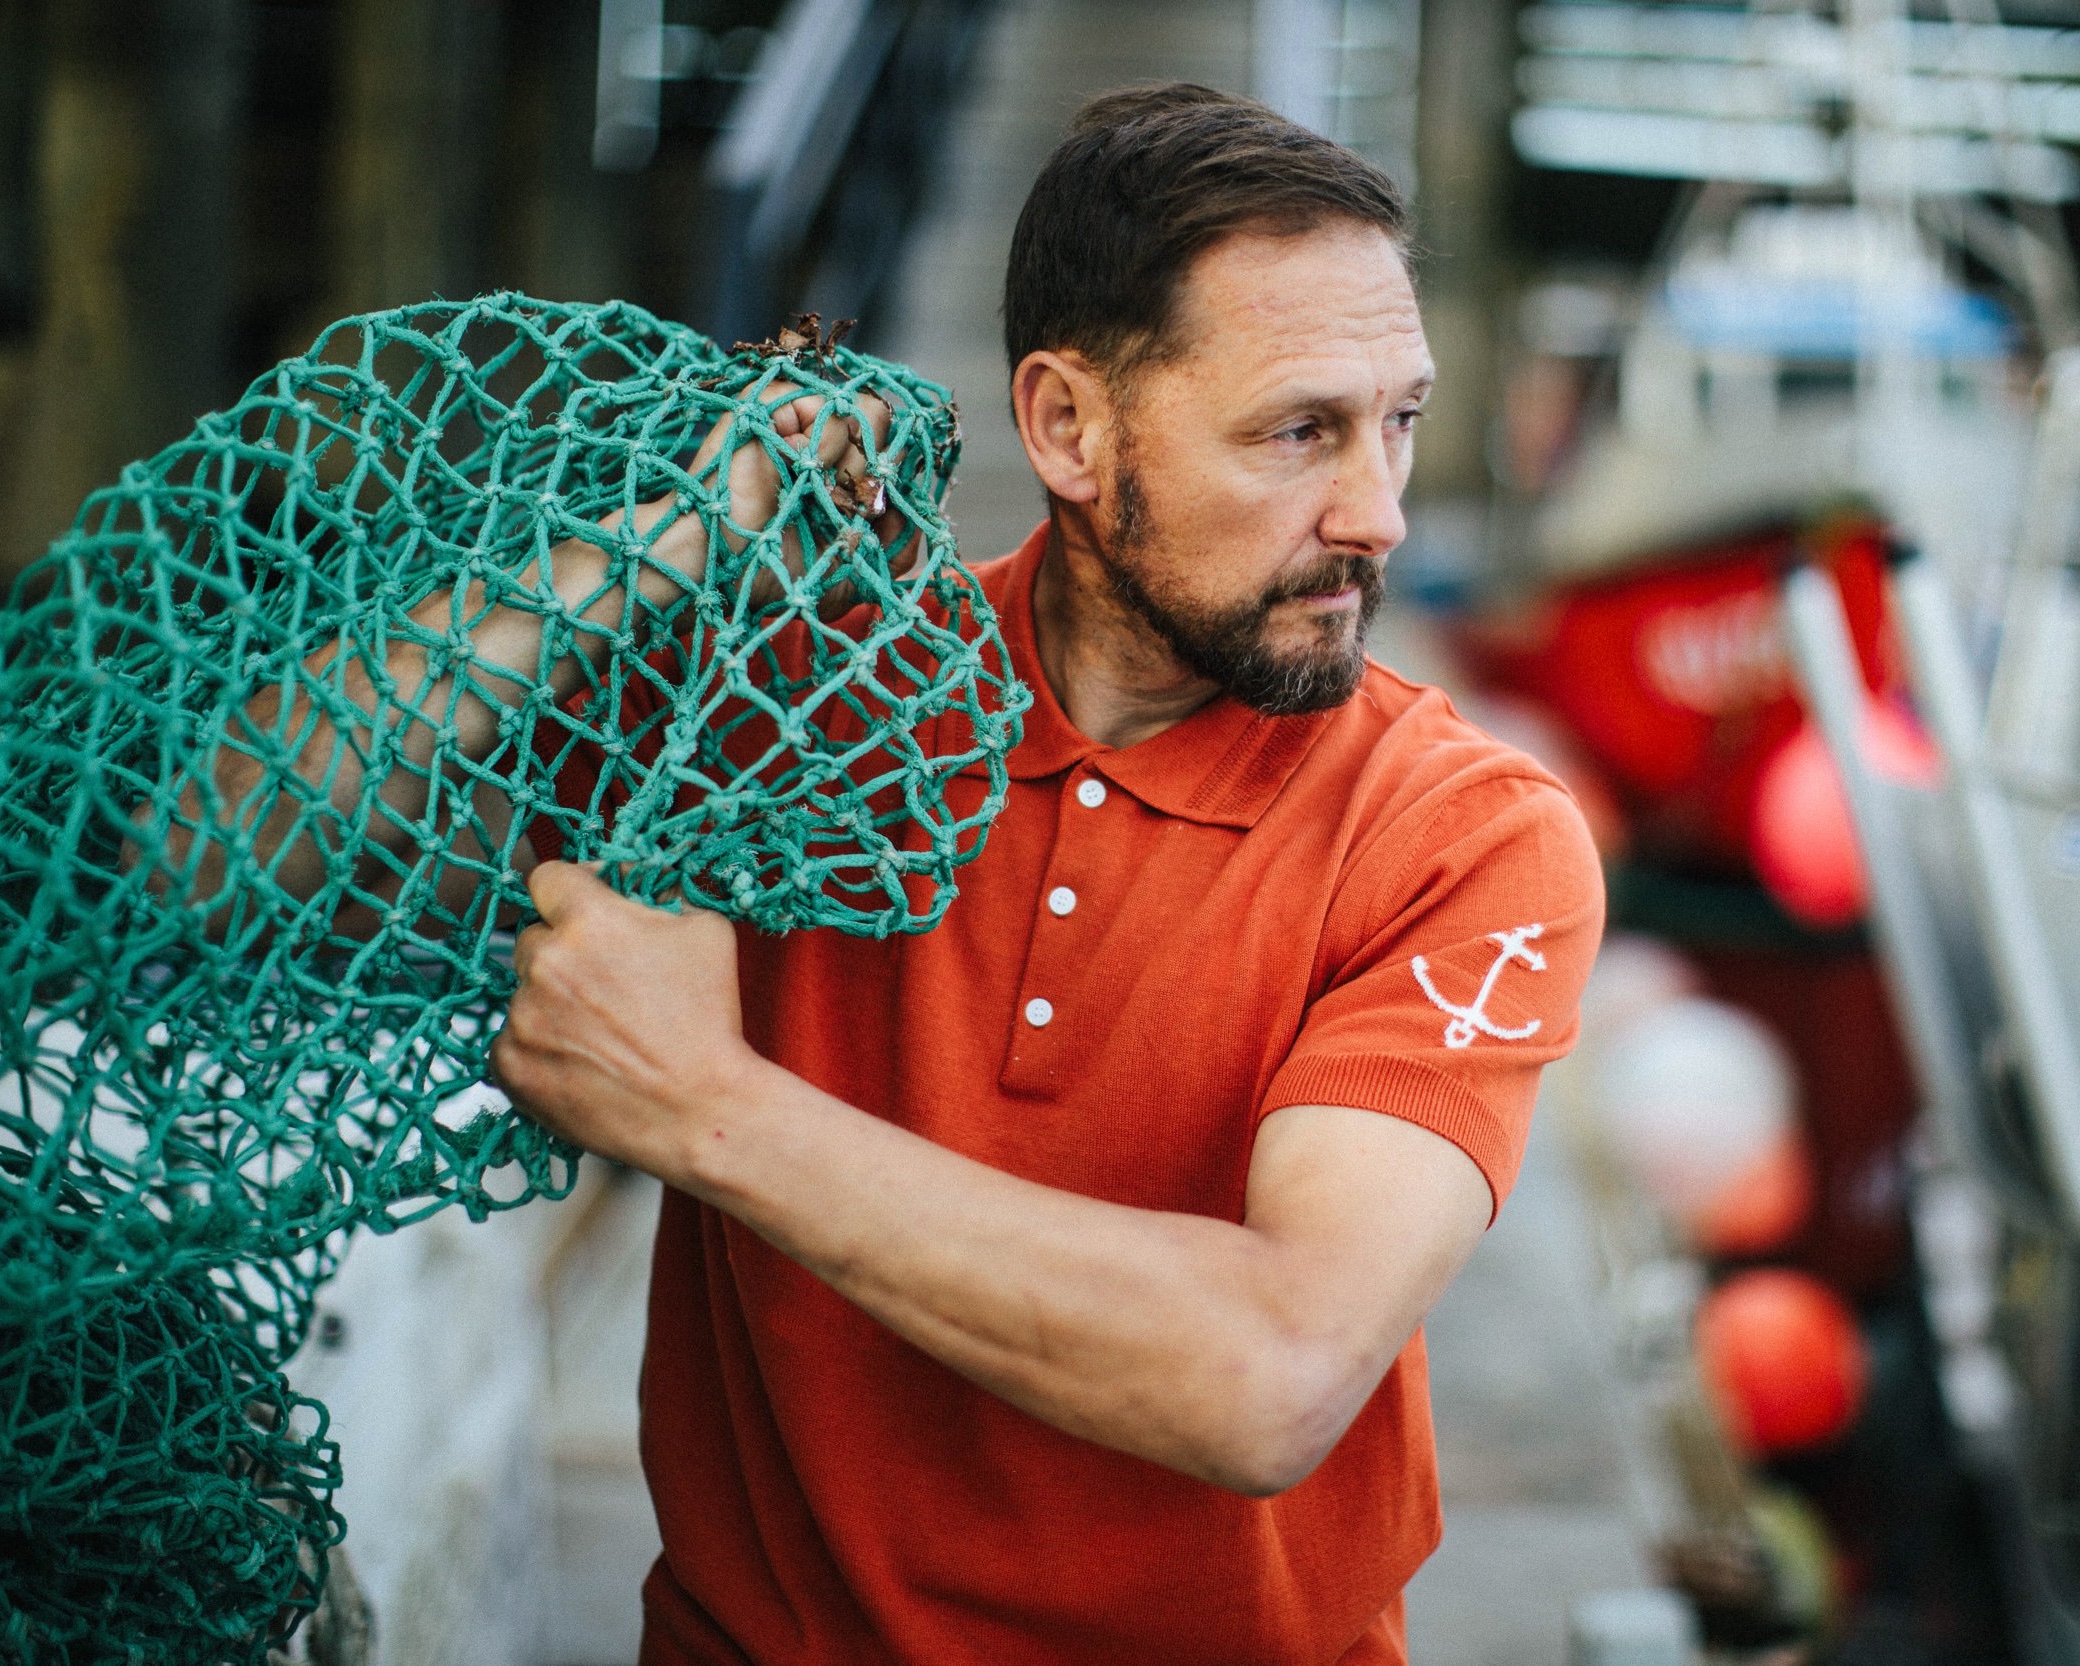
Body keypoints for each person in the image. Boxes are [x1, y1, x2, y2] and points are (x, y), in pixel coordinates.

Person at [225, 83, 1602, 1663]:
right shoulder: (791, 702)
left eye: (1399, 419)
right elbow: (224, 852)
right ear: (1068, 426)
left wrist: (701, 1105)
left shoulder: (1466, 830)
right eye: (1300, 431)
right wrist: (670, 543)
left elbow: (1271, 1370)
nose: (1378, 513)